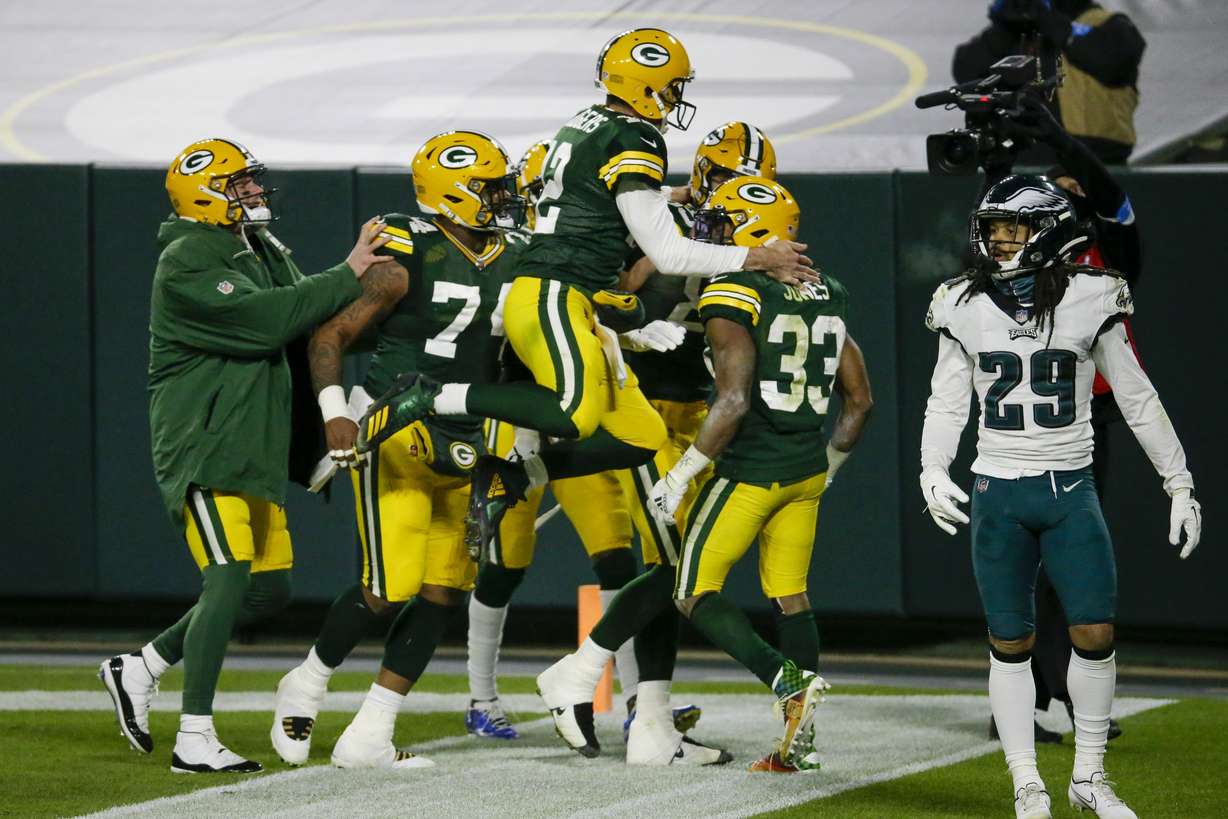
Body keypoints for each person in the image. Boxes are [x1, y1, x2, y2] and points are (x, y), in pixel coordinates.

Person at [354, 27, 818, 555]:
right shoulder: (637, 137)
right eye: (671, 86)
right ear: (647, 84)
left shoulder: (587, 123)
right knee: (575, 414)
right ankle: (431, 394)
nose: (675, 98)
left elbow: (597, 191)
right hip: (556, 290)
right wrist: (760, 255)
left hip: (565, 295)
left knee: (639, 436)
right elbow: (669, 253)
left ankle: (518, 475)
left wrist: (677, 193)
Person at [97, 138, 391, 773]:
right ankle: (194, 737)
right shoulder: (186, 258)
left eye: (252, 183)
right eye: (240, 185)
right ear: (206, 195)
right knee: (227, 574)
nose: (255, 192)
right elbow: (269, 319)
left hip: (254, 442)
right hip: (206, 444)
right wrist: (349, 270)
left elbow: (312, 317)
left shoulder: (256, 245)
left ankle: (140, 665)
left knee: (265, 592)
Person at [919, 175, 1201, 818]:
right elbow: (946, 397)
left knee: (1096, 631)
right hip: (998, 488)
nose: (999, 241)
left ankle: (1090, 778)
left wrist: (1179, 482)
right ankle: (1026, 783)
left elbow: (1135, 396)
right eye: (992, 229)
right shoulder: (962, 302)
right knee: (1009, 642)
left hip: (1070, 486)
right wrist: (933, 469)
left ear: (1047, 231)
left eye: (1013, 229)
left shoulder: (1092, 296)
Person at [268, 131, 530, 769]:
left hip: (473, 436)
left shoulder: (521, 253)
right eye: (489, 189)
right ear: (452, 193)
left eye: (503, 187)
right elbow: (331, 333)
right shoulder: (407, 248)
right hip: (398, 426)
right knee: (388, 588)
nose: (502, 200)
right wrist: (335, 413)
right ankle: (305, 682)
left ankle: (370, 733)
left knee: (444, 590)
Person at [533, 122, 781, 764]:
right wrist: (634, 330)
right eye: (725, 183)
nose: (734, 199)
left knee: (678, 569)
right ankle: (619, 704)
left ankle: (649, 721)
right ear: (702, 178)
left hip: (695, 417)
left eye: (748, 188)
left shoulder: (748, 230)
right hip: (638, 410)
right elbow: (586, 300)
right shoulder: (656, 221)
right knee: (671, 565)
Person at [463, 140, 685, 741]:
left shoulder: (568, 246)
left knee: (617, 558)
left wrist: (631, 324)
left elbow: (598, 302)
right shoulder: (523, 257)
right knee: (505, 566)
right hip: (522, 417)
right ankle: (481, 697)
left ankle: (640, 700)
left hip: (578, 416)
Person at [662, 176, 874, 772]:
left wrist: (682, 473)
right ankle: (797, 743)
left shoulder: (732, 292)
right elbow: (859, 402)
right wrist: (828, 468)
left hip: (751, 470)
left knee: (693, 593)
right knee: (790, 596)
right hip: (806, 468)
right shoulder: (827, 289)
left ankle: (785, 681)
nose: (715, 233)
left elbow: (731, 402)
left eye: (724, 222)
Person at [1000, 96, 1142, 742]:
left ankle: (1064, 691)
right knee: (1020, 564)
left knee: (1075, 561)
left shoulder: (1109, 251)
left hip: (1088, 418)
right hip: (1022, 420)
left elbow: (1113, 197)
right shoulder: (1016, 261)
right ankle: (1021, 698)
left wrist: (1061, 143)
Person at [952, 0, 1146, 164]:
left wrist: (1054, 25)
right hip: (1024, 166)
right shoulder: (1016, 35)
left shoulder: (1108, 25)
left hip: (1093, 167)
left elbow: (1113, 62)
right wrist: (1002, 30)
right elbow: (966, 71)